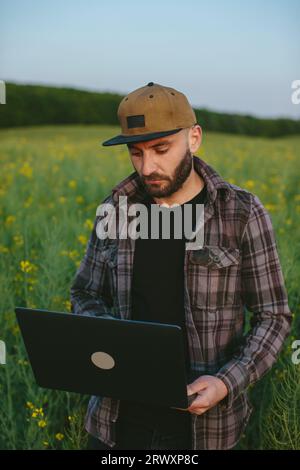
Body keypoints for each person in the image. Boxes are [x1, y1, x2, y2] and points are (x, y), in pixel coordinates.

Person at [70, 82, 292, 450]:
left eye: (161, 149)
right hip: (114, 424)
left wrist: (226, 382)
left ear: (194, 137)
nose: (148, 166)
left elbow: (273, 316)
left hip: (204, 431)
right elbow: (85, 292)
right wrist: (112, 338)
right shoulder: (115, 209)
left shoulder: (240, 213)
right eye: (136, 153)